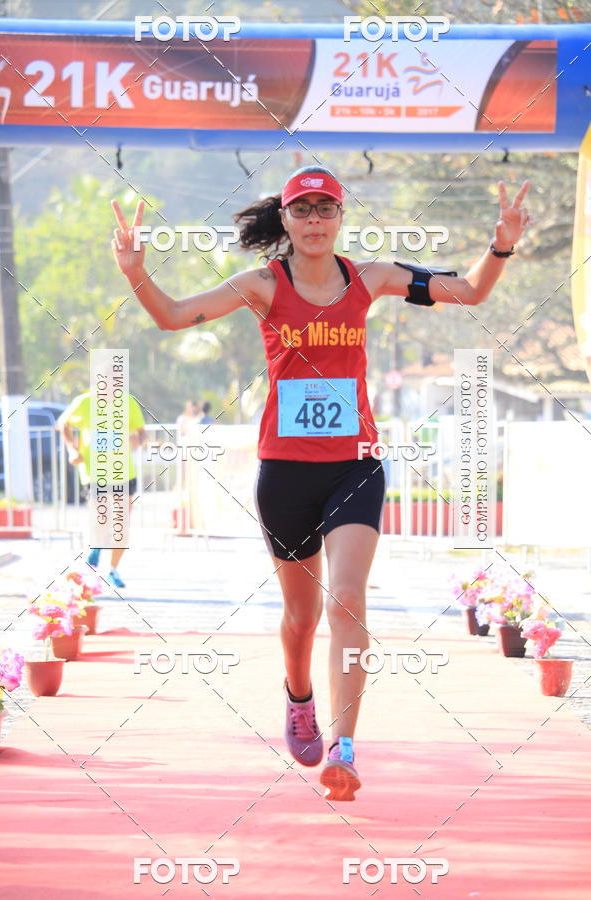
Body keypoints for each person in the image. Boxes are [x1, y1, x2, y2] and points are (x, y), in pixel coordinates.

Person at [110, 166, 532, 800]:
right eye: (302, 210)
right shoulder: (262, 284)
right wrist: (135, 272)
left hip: (355, 466)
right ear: (285, 219)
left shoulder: (373, 278)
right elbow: (171, 316)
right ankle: (298, 693)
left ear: (340, 217)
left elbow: (470, 291)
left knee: (349, 599)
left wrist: (500, 245)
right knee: (302, 617)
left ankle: (344, 745)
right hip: (284, 472)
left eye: (325, 209)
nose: (314, 220)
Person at [56, 391, 146, 588]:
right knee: (101, 518)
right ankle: (95, 551)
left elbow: (141, 432)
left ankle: (112, 570)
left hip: (124, 473)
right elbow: (62, 423)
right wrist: (71, 449)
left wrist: (136, 441)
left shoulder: (129, 401)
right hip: (95, 473)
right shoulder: (84, 401)